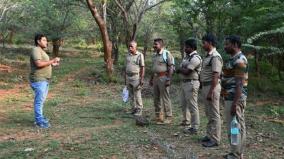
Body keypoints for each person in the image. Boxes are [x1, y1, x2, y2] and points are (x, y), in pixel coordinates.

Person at [222, 35, 248, 159]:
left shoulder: (240, 61)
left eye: (227, 44)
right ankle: (237, 152)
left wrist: (235, 103)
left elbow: (239, 84)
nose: (225, 46)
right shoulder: (233, 59)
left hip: (234, 98)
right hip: (230, 97)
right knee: (238, 126)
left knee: (234, 127)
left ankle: (235, 154)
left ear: (235, 45)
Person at [30, 33, 60, 128]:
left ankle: (40, 118)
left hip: (44, 80)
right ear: (38, 41)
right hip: (39, 79)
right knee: (39, 101)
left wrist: (51, 64)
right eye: (44, 40)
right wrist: (52, 60)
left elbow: (43, 63)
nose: (46, 42)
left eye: (46, 40)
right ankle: (39, 121)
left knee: (41, 100)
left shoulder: (41, 51)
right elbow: (38, 64)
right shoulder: (36, 50)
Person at [200, 33, 223, 147]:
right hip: (206, 86)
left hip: (212, 87)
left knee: (214, 114)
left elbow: (216, 75)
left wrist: (211, 91)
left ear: (210, 43)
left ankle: (215, 139)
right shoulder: (208, 56)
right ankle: (209, 135)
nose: (202, 45)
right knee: (208, 113)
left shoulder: (215, 56)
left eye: (204, 43)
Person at [176, 39, 202, 134]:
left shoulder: (195, 58)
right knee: (183, 104)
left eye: (187, 47)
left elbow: (187, 71)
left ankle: (195, 126)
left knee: (192, 105)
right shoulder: (186, 57)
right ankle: (186, 122)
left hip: (191, 83)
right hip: (184, 83)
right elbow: (182, 69)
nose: (185, 48)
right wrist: (181, 69)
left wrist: (180, 69)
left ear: (192, 47)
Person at [149, 38, 174, 124]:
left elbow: (171, 67)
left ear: (161, 45)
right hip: (156, 78)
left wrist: (168, 79)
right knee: (156, 98)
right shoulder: (154, 55)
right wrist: (151, 79)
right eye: (154, 44)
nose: (154, 46)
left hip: (163, 78)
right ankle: (158, 116)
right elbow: (154, 68)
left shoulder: (166, 54)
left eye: (156, 44)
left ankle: (168, 117)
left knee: (165, 98)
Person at [125, 40, 145, 116]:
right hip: (128, 77)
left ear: (135, 47)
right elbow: (125, 67)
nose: (130, 48)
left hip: (136, 77)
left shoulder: (140, 55)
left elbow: (143, 67)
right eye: (129, 46)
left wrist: (142, 78)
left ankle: (139, 110)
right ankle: (133, 109)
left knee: (137, 94)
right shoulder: (127, 55)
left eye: (131, 46)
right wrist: (125, 79)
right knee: (130, 95)